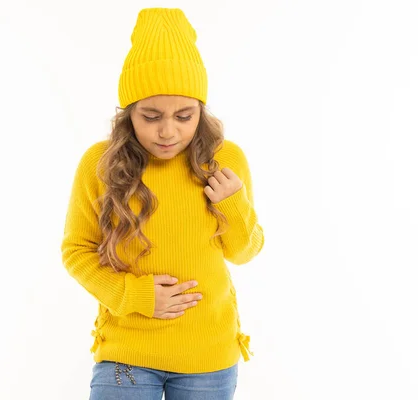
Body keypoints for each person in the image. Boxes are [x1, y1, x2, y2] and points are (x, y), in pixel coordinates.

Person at [61, 7, 265, 400]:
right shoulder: (99, 164)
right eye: (151, 115)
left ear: (201, 111)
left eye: (184, 116)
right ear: (128, 114)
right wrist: (132, 295)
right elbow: (76, 251)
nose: (168, 131)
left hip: (208, 356)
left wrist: (233, 204)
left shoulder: (227, 161)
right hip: (127, 351)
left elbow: (244, 251)